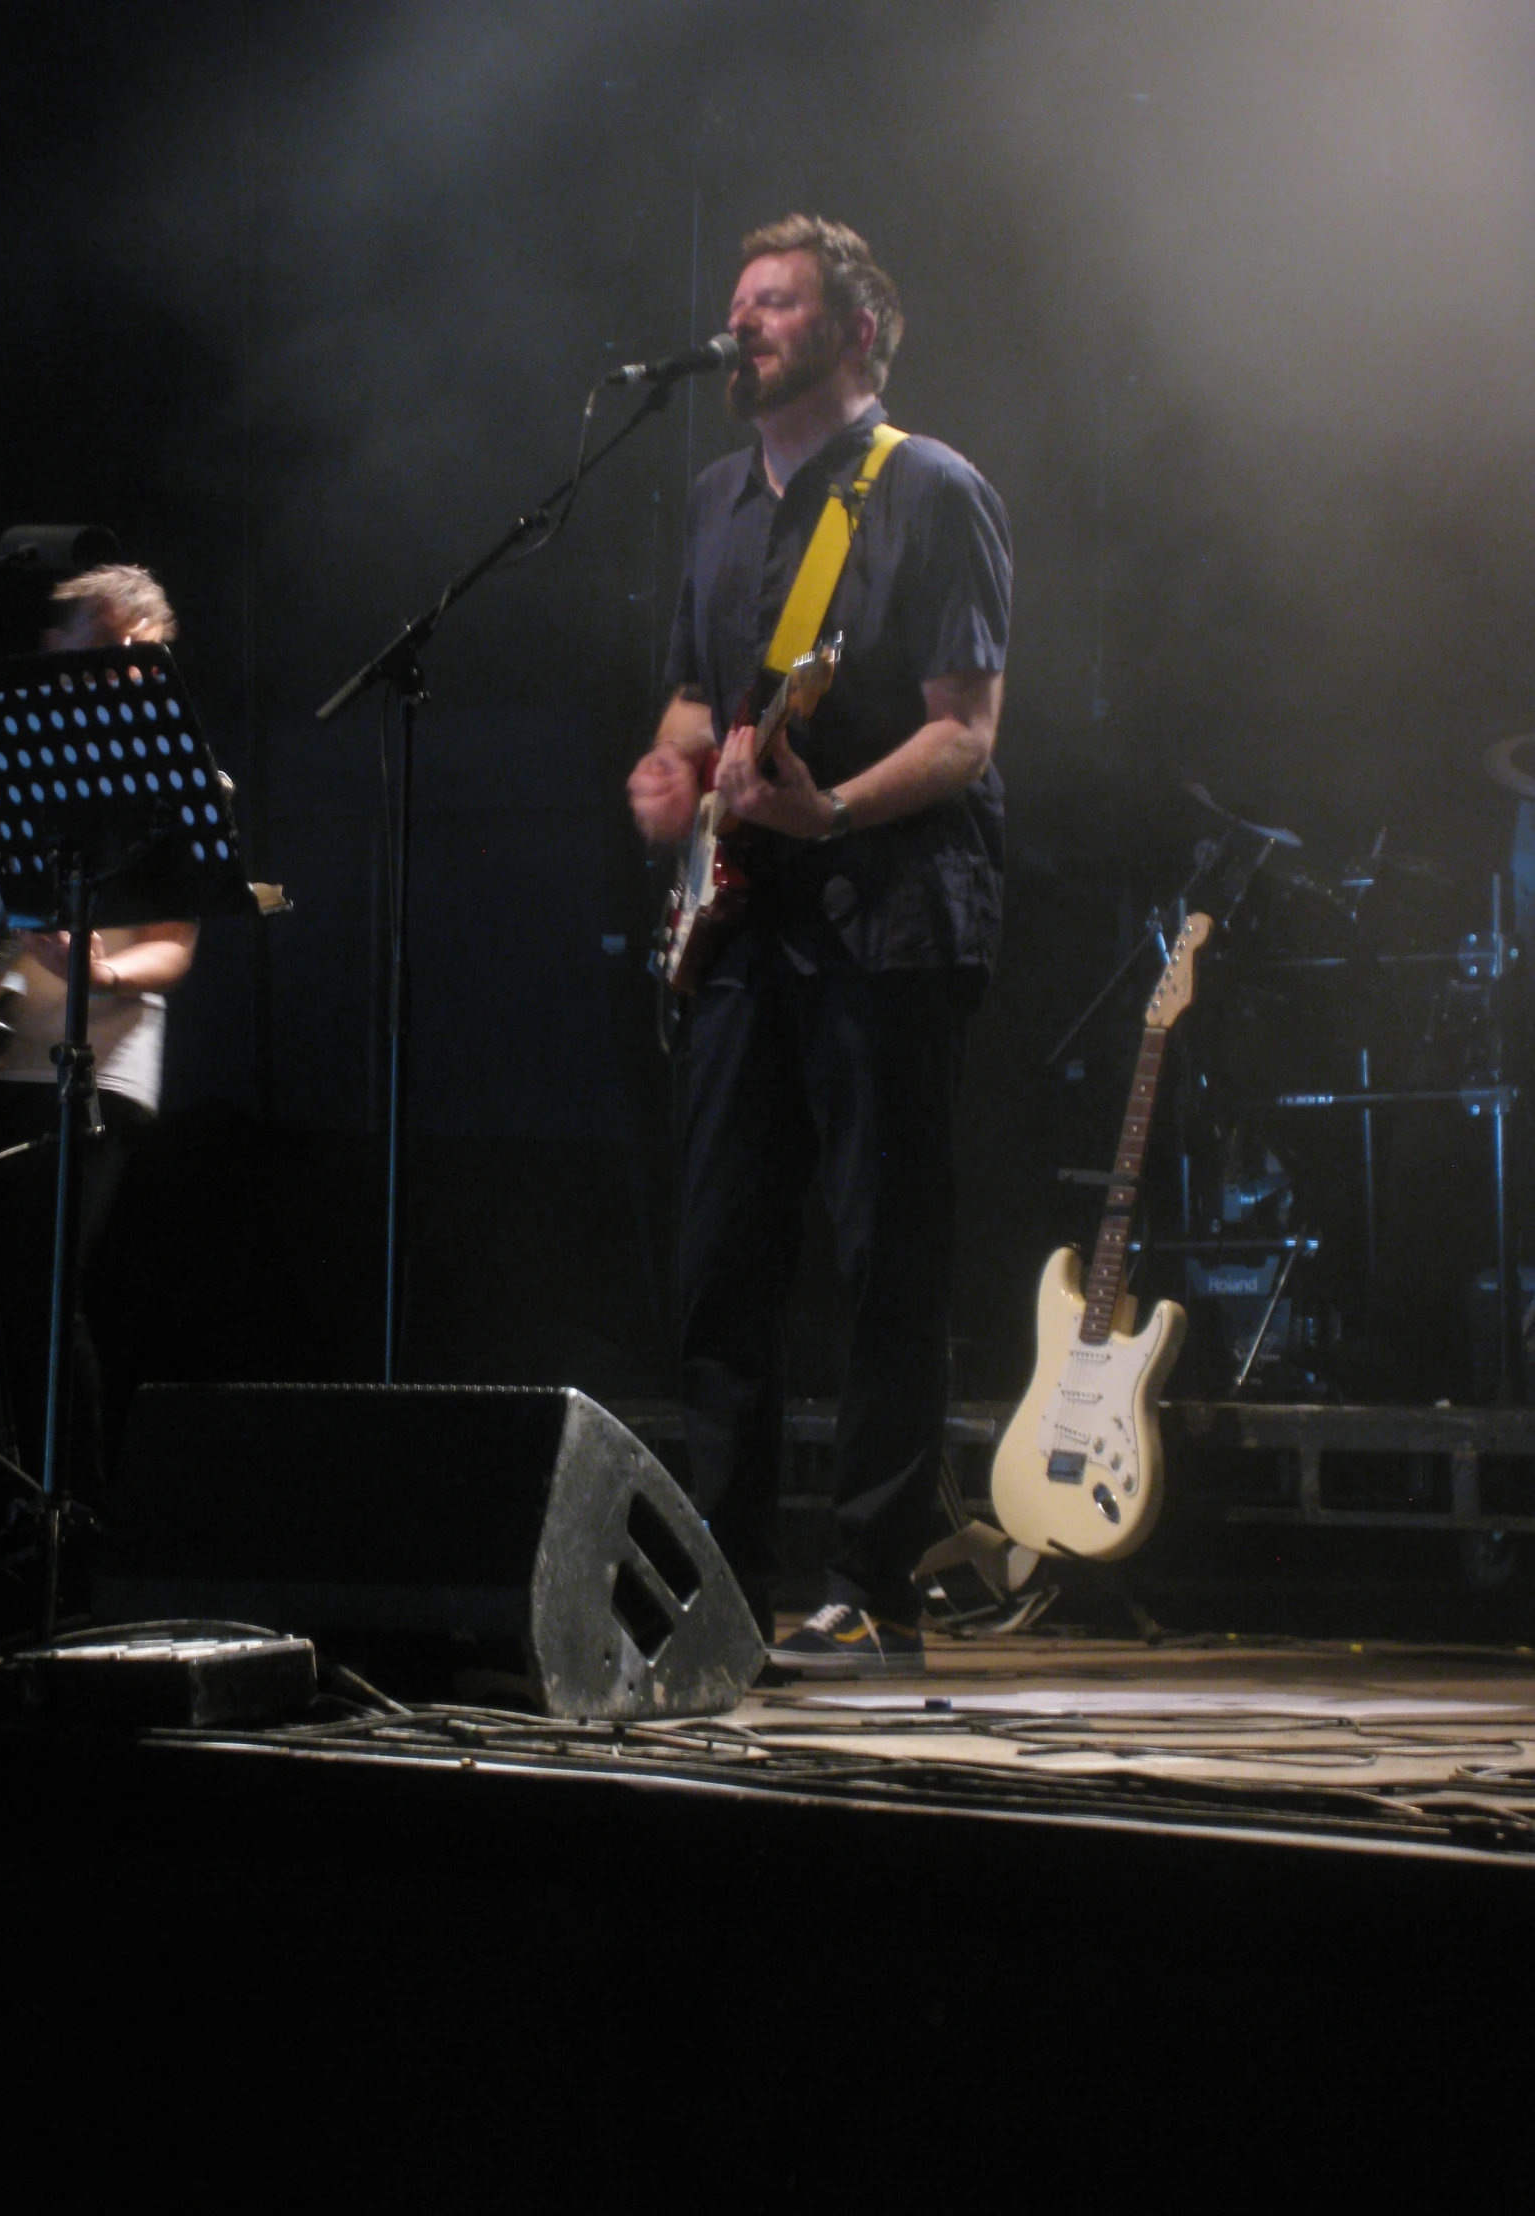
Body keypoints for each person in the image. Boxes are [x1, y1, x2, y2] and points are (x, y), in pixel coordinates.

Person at [627, 215, 1011, 1675]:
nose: (742, 327)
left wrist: (828, 808)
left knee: (880, 1261)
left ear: (855, 331)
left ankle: (871, 1587)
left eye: (774, 304)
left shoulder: (929, 490)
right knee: (721, 1261)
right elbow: (687, 700)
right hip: (737, 932)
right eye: (734, 305)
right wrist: (666, 778)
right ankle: (715, 1592)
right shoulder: (720, 495)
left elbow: (965, 733)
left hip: (887, 923)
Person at [0, 562, 197, 1490]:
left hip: (98, 1065)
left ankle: (72, 1534)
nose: (123, 674)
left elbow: (174, 947)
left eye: (143, 659)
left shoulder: (170, 771)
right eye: (104, 646)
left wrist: (104, 967)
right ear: (55, 646)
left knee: (39, 1299)